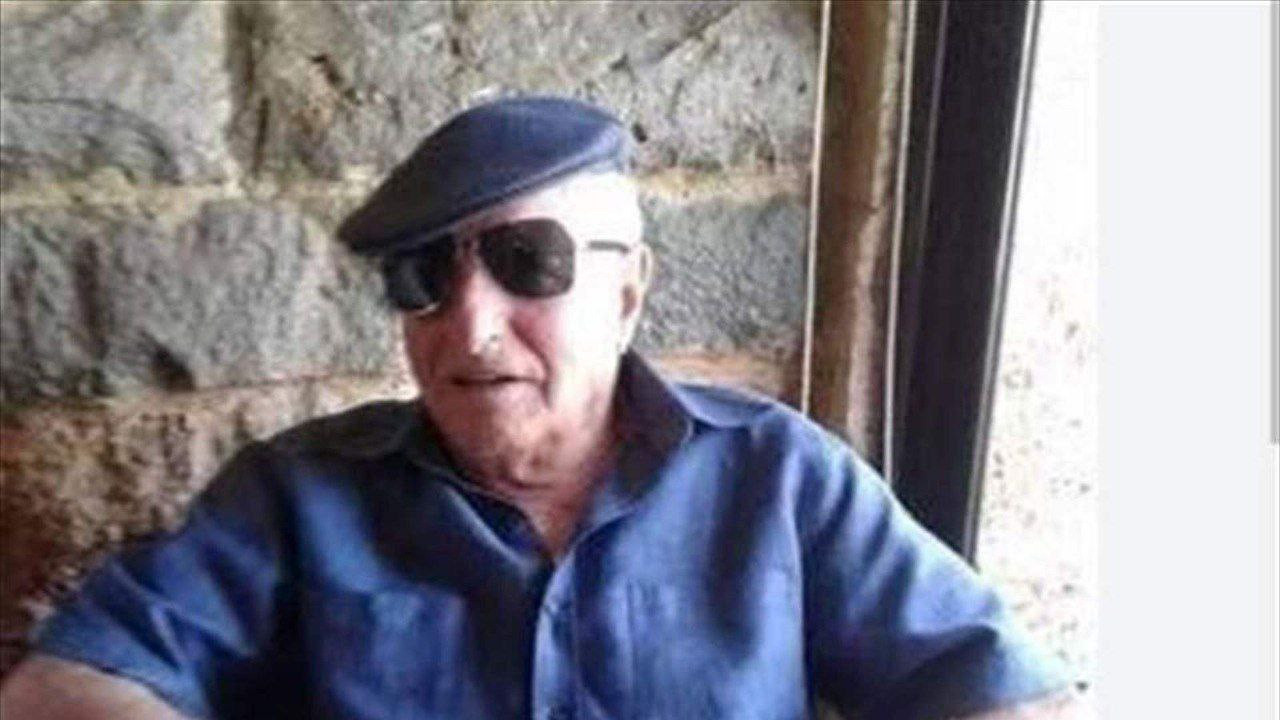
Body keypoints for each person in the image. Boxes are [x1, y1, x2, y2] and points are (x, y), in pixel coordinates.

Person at [0, 97, 1071, 719]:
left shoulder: (780, 478)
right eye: (425, 275)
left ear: (626, 291)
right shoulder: (296, 495)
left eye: (529, 263)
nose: (469, 328)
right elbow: (63, 688)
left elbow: (996, 692)